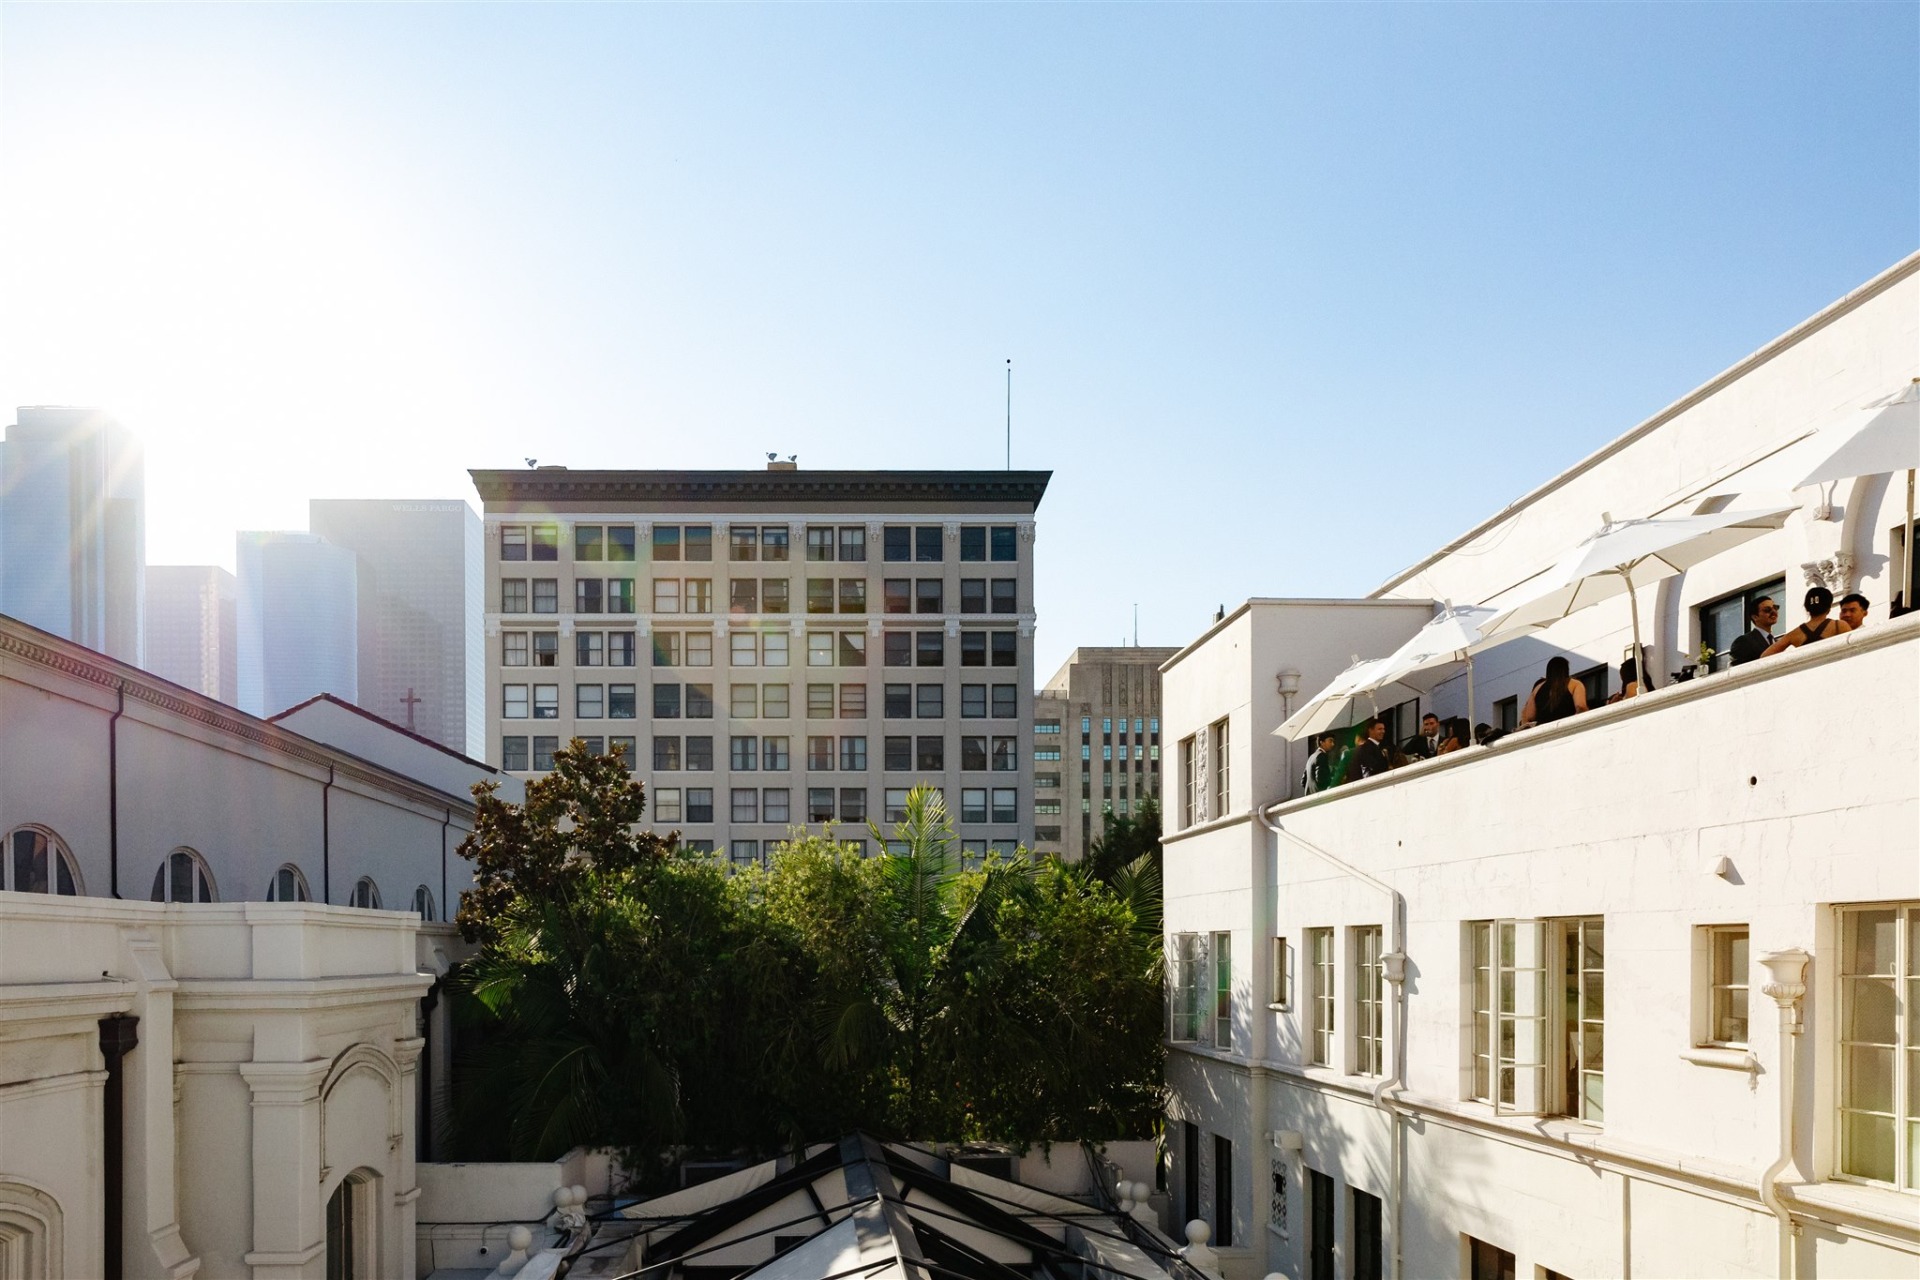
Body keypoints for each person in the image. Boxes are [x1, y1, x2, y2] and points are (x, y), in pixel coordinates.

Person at [1763, 586, 1851, 656]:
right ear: (1829, 607)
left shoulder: (1795, 634)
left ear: (1807, 608)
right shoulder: (1838, 626)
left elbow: (1765, 656)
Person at [1521, 655, 1588, 726]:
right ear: (1566, 669)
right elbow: (1581, 707)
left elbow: (1530, 716)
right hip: (1566, 726)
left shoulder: (1537, 688)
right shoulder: (1575, 684)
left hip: (1544, 730)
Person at [1728, 597, 1778, 667]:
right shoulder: (1743, 641)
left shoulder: (1775, 642)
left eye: (1775, 608)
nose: (1774, 612)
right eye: (1767, 610)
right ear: (1755, 617)